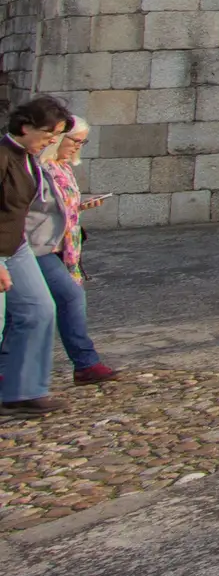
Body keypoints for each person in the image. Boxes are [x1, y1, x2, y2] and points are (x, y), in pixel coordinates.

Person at [1, 96, 75, 415]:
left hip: (15, 245)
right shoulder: (3, 156)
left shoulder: (29, 158)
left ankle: (24, 390)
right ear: (25, 126)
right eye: (47, 135)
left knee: (39, 309)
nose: (50, 142)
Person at [36, 118, 116, 384]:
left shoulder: (63, 169)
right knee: (66, 298)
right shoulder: (38, 168)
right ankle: (85, 363)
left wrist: (79, 206)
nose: (78, 147)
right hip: (38, 246)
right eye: (75, 141)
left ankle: (84, 364)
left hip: (63, 245)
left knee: (60, 302)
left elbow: (59, 206)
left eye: (83, 142)